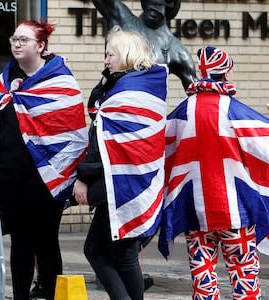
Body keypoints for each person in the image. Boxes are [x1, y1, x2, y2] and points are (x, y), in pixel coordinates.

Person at [0, 20, 88, 299]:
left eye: (24, 40)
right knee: (20, 242)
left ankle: (50, 295)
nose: (17, 44)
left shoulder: (61, 81)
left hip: (47, 180)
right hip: (11, 177)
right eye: (14, 39)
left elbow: (73, 137)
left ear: (41, 46)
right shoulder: (4, 80)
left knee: (46, 241)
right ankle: (20, 296)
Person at [159, 46, 269, 299]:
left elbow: (162, 150)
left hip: (196, 212)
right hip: (237, 211)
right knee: (244, 275)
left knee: (203, 277)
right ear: (226, 74)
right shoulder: (237, 111)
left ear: (201, 72)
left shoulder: (182, 113)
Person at [72, 28, 167, 299]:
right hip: (131, 181)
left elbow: (103, 140)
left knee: (120, 254)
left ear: (126, 54)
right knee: (106, 251)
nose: (105, 60)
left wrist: (83, 177)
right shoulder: (142, 84)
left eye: (109, 54)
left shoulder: (127, 90)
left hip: (123, 183)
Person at [92, 0, 196, 89]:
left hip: (145, 106)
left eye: (158, 7)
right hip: (111, 100)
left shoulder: (176, 50)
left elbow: (198, 94)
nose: (153, 10)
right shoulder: (124, 21)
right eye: (149, 3)